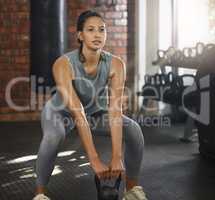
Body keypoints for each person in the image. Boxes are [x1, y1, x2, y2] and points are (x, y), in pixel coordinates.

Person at [33, 10, 147, 200]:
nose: (97, 34)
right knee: (54, 137)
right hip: (61, 113)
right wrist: (94, 160)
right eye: (90, 30)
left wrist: (116, 157)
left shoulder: (116, 64)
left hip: (95, 113)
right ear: (80, 35)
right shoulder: (63, 64)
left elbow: (115, 111)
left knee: (134, 130)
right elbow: (77, 113)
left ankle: (132, 190)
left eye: (101, 30)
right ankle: (40, 194)